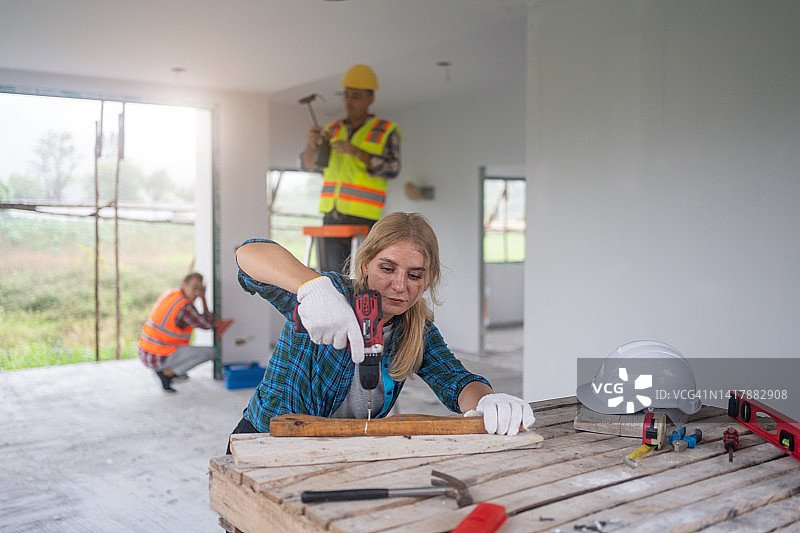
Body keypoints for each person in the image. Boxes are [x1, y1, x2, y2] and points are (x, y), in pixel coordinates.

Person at [226, 212, 534, 452]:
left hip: (338, 454)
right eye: (387, 269)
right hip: (264, 442)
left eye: (415, 275)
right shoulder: (327, 298)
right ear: (365, 265)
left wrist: (488, 402)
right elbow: (248, 255)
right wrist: (311, 287)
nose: (400, 286)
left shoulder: (415, 330)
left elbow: (457, 381)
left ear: (428, 280)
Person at [300, 63, 401, 274]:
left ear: (370, 99)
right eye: (346, 95)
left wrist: (357, 152)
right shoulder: (333, 129)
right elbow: (308, 165)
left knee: (362, 280)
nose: (348, 101)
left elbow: (392, 169)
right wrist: (311, 146)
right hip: (331, 216)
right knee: (331, 280)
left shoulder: (385, 130)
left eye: (355, 96)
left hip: (365, 221)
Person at [138, 272, 233, 393]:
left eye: (200, 289)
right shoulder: (185, 307)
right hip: (158, 355)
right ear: (184, 285)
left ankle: (172, 369)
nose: (197, 293)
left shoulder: (171, 294)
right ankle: (168, 373)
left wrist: (201, 297)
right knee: (213, 352)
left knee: (189, 350)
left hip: (146, 351)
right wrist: (203, 298)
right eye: (194, 288)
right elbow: (208, 324)